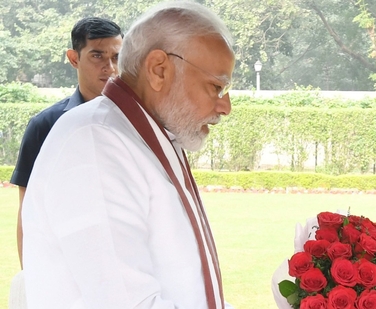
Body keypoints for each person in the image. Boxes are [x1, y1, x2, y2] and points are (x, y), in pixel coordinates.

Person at [21, 1, 235, 308]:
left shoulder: (136, 134)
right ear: (159, 70)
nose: (225, 107)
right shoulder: (95, 141)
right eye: (216, 87)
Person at [10, 17, 123, 268]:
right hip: (65, 266)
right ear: (74, 58)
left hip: (127, 262)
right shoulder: (45, 126)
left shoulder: (138, 124)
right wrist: (31, 278)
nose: (110, 67)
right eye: (97, 56)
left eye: (116, 57)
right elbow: (28, 213)